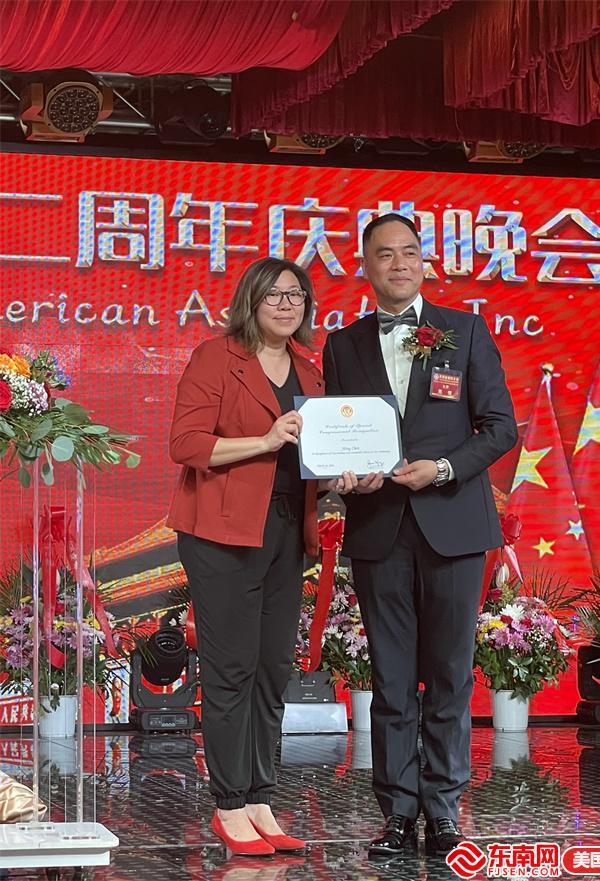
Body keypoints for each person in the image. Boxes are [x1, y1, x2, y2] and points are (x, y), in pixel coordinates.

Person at [322, 214, 518, 857]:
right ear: (365, 266)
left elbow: (499, 427)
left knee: (451, 676)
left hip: (454, 524)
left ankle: (446, 812)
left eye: (409, 252)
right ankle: (398, 814)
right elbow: (337, 435)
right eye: (385, 254)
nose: (399, 263)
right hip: (379, 528)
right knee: (390, 680)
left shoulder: (465, 330)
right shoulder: (343, 344)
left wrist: (444, 468)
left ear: (424, 262)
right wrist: (344, 476)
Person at [168, 257, 355, 857]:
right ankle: (228, 803)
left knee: (274, 668)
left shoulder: (310, 370)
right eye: (273, 294)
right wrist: (266, 440)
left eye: (296, 295)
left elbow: (315, 454)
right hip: (221, 532)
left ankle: (259, 798)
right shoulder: (216, 357)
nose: (285, 304)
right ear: (249, 301)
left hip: (286, 530)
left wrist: (341, 475)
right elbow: (186, 444)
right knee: (232, 669)